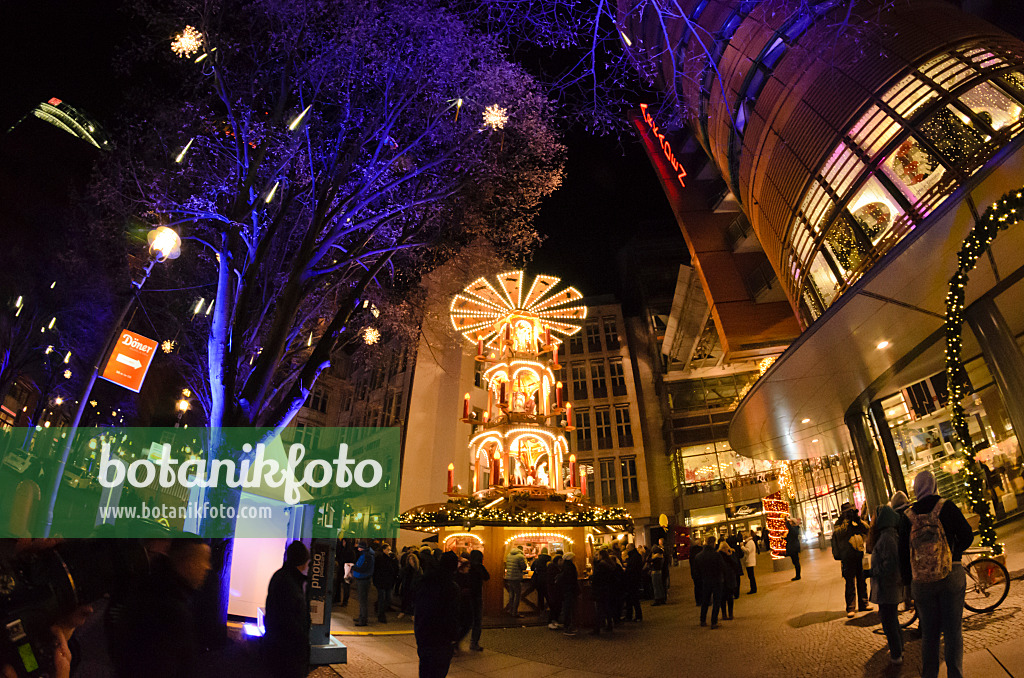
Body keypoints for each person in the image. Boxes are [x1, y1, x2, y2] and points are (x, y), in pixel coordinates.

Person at [898, 471, 973, 678]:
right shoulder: (946, 506)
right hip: (951, 576)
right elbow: (967, 535)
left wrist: (907, 585)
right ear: (934, 485)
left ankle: (929, 675)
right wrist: (952, 553)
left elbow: (902, 555)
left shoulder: (907, 516)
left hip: (921, 583)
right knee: (952, 632)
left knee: (930, 634)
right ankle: (955, 675)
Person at [110, 538, 211, 678]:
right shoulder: (170, 610)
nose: (207, 567)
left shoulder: (154, 588)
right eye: (202, 560)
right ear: (187, 562)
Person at [264, 541, 311, 678]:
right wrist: (301, 640)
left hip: (280, 647)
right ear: (302, 562)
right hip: (288, 651)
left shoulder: (281, 576)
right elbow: (289, 619)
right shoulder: (290, 583)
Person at [414, 551, 461, 678]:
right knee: (438, 672)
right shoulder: (451, 587)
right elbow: (452, 615)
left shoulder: (426, 581)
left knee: (425, 670)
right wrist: (453, 636)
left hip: (424, 634)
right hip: (441, 639)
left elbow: (419, 609)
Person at [868, 505, 904, 665]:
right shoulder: (888, 535)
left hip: (888, 586)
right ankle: (899, 648)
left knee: (888, 621)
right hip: (889, 586)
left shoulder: (887, 538)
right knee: (891, 619)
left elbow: (890, 564)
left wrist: (873, 571)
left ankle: (896, 654)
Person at [833, 502, 871, 617]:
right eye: (847, 512)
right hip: (847, 557)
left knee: (862, 580)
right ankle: (850, 608)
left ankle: (864, 603)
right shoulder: (839, 523)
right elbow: (838, 534)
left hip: (859, 554)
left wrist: (857, 520)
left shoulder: (856, 522)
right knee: (850, 583)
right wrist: (846, 521)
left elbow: (867, 529)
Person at [693, 536, 724, 628]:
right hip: (716, 580)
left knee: (705, 601)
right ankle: (714, 621)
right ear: (713, 543)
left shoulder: (699, 556)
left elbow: (696, 571)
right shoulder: (716, 555)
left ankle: (703, 620)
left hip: (705, 581)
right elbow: (722, 567)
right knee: (716, 601)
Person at [462, 549, 489, 651]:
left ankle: (457, 640)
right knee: (477, 620)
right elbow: (487, 577)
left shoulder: (467, 566)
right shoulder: (480, 567)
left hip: (466, 596)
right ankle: (474, 642)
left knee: (466, 619)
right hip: (477, 596)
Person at [589, 549, 615, 635]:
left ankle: (596, 629)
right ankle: (609, 625)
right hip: (607, 589)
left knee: (599, 609)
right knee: (607, 608)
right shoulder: (609, 564)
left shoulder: (601, 565)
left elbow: (596, 577)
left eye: (597, 555)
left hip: (600, 590)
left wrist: (591, 577)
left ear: (601, 555)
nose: (597, 557)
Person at [351, 540, 375, 626]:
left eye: (358, 546)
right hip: (362, 579)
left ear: (361, 547)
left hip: (363, 580)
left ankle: (363, 620)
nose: (357, 548)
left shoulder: (367, 556)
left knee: (363, 601)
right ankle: (361, 617)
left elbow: (363, 568)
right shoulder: (365, 555)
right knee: (361, 600)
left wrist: (353, 567)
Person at [374, 543, 399, 623]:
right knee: (382, 598)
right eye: (388, 549)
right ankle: (381, 615)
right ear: (383, 550)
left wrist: (394, 559)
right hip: (381, 582)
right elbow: (378, 570)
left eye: (390, 550)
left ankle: (380, 609)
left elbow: (395, 569)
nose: (389, 551)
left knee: (387, 598)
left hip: (389, 582)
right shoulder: (380, 558)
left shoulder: (391, 559)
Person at [717, 540, 741, 621]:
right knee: (724, 598)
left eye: (725, 548)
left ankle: (730, 614)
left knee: (729, 597)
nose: (724, 549)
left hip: (729, 578)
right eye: (723, 548)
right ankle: (725, 614)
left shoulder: (731, 553)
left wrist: (729, 555)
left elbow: (736, 564)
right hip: (724, 578)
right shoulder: (718, 555)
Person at [558, 552, 580, 635]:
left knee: (567, 609)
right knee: (568, 609)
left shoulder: (565, 566)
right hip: (569, 590)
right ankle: (567, 627)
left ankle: (567, 626)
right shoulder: (570, 567)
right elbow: (572, 579)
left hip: (567, 590)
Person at [504, 545, 527, 616]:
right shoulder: (520, 556)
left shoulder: (509, 555)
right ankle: (515, 612)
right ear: (521, 550)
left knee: (511, 595)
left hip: (509, 577)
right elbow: (524, 567)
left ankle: (510, 610)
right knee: (517, 595)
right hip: (516, 578)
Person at [399, 549, 423, 619]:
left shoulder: (418, 569)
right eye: (409, 559)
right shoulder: (407, 569)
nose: (410, 561)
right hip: (407, 586)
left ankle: (412, 614)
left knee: (413, 601)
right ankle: (403, 612)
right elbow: (402, 576)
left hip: (414, 587)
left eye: (412, 560)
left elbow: (420, 578)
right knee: (405, 600)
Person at [623, 544, 643, 622]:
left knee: (633, 599)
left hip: (633, 581)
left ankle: (637, 616)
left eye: (627, 548)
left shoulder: (634, 557)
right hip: (634, 580)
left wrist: (626, 570)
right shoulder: (636, 556)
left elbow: (633, 569)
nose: (627, 550)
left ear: (631, 548)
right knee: (632, 599)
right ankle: (631, 616)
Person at [335, 538, 356, 606]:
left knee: (346, 586)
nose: (343, 543)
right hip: (341, 570)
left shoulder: (350, 551)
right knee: (340, 585)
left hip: (346, 570)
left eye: (344, 542)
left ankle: (344, 601)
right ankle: (338, 599)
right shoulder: (342, 550)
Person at [546, 554, 564, 629]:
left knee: (556, 606)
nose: (562, 562)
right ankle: (551, 621)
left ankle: (555, 621)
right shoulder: (553, 568)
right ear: (558, 561)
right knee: (554, 606)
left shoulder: (553, 567)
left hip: (554, 589)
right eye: (561, 560)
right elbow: (552, 580)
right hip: (554, 589)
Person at [531, 546, 551, 612]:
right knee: (548, 595)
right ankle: (552, 609)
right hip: (548, 579)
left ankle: (541, 610)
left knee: (540, 595)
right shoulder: (550, 560)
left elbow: (532, 568)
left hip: (539, 579)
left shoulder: (537, 560)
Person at [688, 540, 703, 606]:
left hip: (694, 572)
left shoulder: (692, 552)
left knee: (696, 586)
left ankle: (698, 601)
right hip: (701, 572)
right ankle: (702, 600)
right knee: (702, 586)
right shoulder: (700, 551)